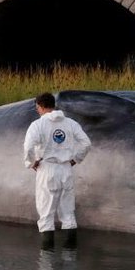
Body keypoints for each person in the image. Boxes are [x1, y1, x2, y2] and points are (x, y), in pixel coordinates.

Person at [23, 92, 91, 235]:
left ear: (40, 106)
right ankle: (70, 255)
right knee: (68, 215)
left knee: (46, 216)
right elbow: (86, 144)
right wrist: (76, 159)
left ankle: (47, 257)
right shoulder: (70, 123)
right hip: (66, 169)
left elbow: (28, 147)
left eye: (37, 107)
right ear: (54, 105)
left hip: (47, 169)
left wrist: (31, 163)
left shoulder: (37, 125)